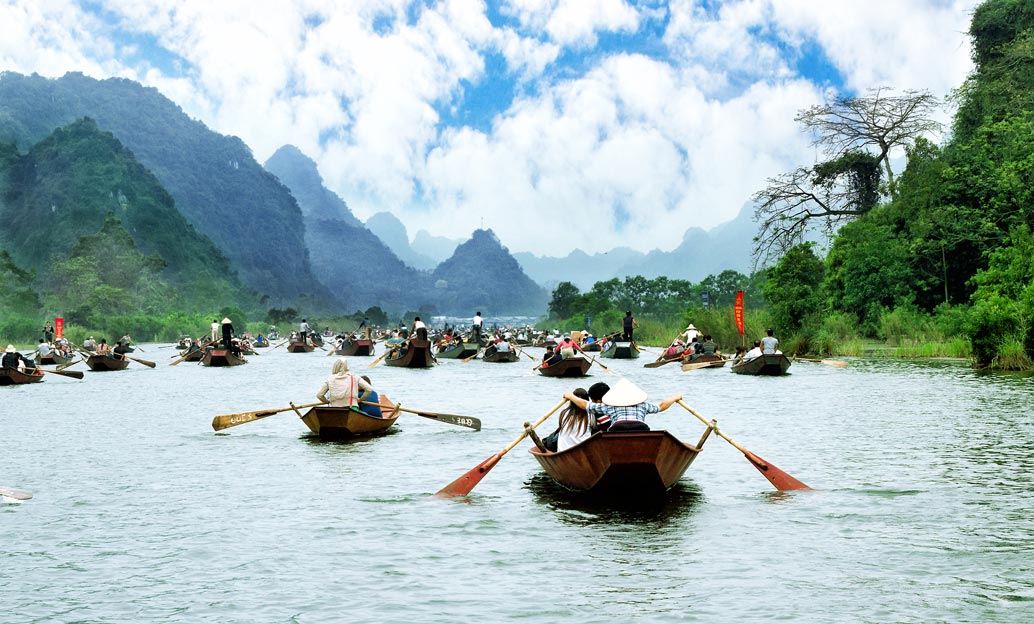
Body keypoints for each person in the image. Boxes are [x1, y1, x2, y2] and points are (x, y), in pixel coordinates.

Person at [564, 378, 680, 432]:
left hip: (617, 429)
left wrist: (571, 396)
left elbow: (586, 405)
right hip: (641, 428)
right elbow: (662, 405)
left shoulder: (611, 406)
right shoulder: (643, 405)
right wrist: (674, 398)